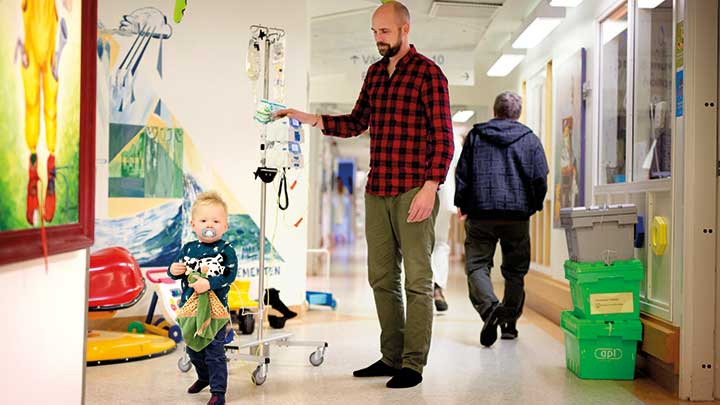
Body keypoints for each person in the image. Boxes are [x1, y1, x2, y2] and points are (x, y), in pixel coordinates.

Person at [275, 0, 453, 389]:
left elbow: (443, 137)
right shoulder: (374, 74)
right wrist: (311, 118)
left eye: (384, 31)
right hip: (378, 189)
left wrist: (430, 187)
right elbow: (357, 122)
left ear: (405, 29)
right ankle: (391, 356)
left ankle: (413, 364)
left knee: (418, 280)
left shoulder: (428, 74)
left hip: (413, 190)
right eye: (374, 32)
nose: (378, 38)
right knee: (381, 277)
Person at [454, 91, 548, 348]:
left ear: (494, 111)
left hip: (481, 213)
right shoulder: (530, 140)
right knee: (515, 271)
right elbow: (540, 178)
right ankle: (509, 324)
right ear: (518, 113)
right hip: (517, 215)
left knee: (476, 265)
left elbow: (462, 173)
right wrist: (534, 205)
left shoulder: (476, 136)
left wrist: (462, 203)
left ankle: (490, 309)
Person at [168, 191, 238, 405]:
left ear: (225, 226)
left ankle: (218, 391)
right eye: (204, 221)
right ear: (193, 225)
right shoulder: (188, 249)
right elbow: (176, 271)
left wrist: (209, 283)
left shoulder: (226, 250)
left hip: (215, 313)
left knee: (214, 352)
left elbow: (229, 275)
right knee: (193, 348)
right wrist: (173, 270)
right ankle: (204, 377)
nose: (210, 225)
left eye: (216, 221)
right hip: (190, 309)